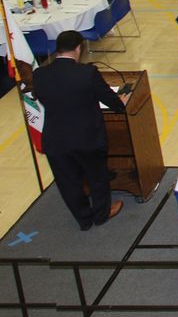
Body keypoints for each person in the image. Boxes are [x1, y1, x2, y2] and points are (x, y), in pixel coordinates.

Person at [30, 31, 130, 230]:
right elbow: (108, 99)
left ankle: (84, 219)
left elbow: (42, 98)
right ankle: (102, 214)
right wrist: (121, 103)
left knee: (69, 183)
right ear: (78, 48)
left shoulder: (39, 75)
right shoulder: (87, 73)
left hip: (56, 140)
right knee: (97, 177)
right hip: (87, 138)